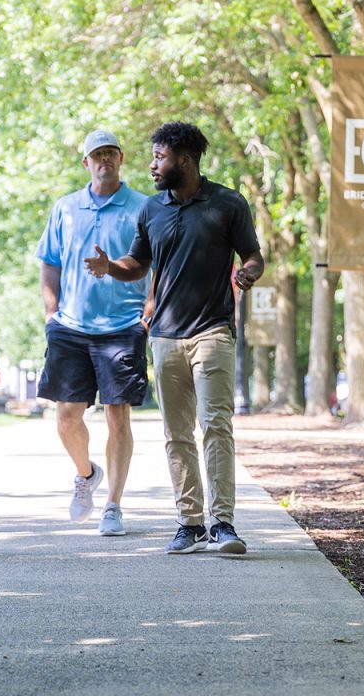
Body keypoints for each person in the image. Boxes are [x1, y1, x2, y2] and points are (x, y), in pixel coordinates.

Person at [84, 122, 264, 555]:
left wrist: (249, 272)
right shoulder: (152, 210)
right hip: (164, 336)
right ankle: (190, 523)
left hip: (213, 331)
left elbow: (253, 254)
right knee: (176, 433)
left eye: (159, 157)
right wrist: (112, 268)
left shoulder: (227, 203)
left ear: (183, 160)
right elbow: (138, 263)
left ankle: (223, 524)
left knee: (216, 425)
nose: (152, 165)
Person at [35, 129, 149, 536]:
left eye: (110, 153)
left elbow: (159, 261)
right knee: (67, 417)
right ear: (86, 163)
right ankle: (86, 475)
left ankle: (113, 506)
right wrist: (51, 311)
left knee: (119, 418)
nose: (104, 160)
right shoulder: (65, 208)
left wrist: (148, 308)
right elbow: (49, 261)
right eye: (96, 155)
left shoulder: (143, 207)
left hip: (122, 326)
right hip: (70, 325)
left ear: (121, 157)